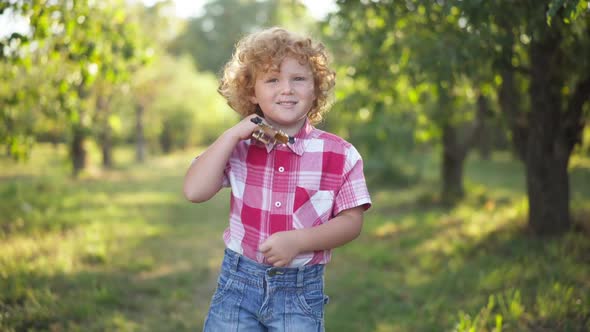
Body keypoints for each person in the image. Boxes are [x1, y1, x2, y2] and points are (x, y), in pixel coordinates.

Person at [183, 27, 372, 332]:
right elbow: (194, 190)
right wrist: (232, 134)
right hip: (237, 287)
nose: (286, 89)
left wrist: (299, 241)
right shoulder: (239, 146)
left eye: (298, 78)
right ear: (252, 92)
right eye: (272, 80)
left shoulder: (340, 154)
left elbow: (352, 222)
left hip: (299, 294)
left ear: (316, 89)